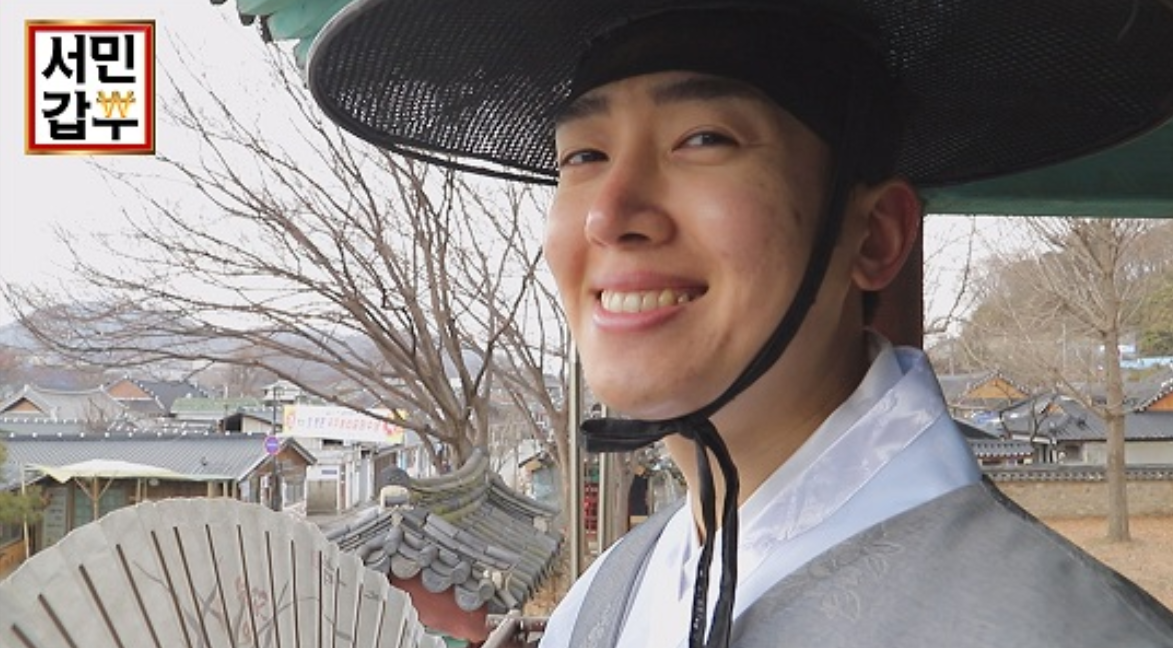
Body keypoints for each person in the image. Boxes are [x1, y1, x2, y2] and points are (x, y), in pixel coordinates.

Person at [304, 1, 1173, 646]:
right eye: (583, 155)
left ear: (873, 237)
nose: (609, 213)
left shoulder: (1062, 628)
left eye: (703, 139)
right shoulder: (603, 602)